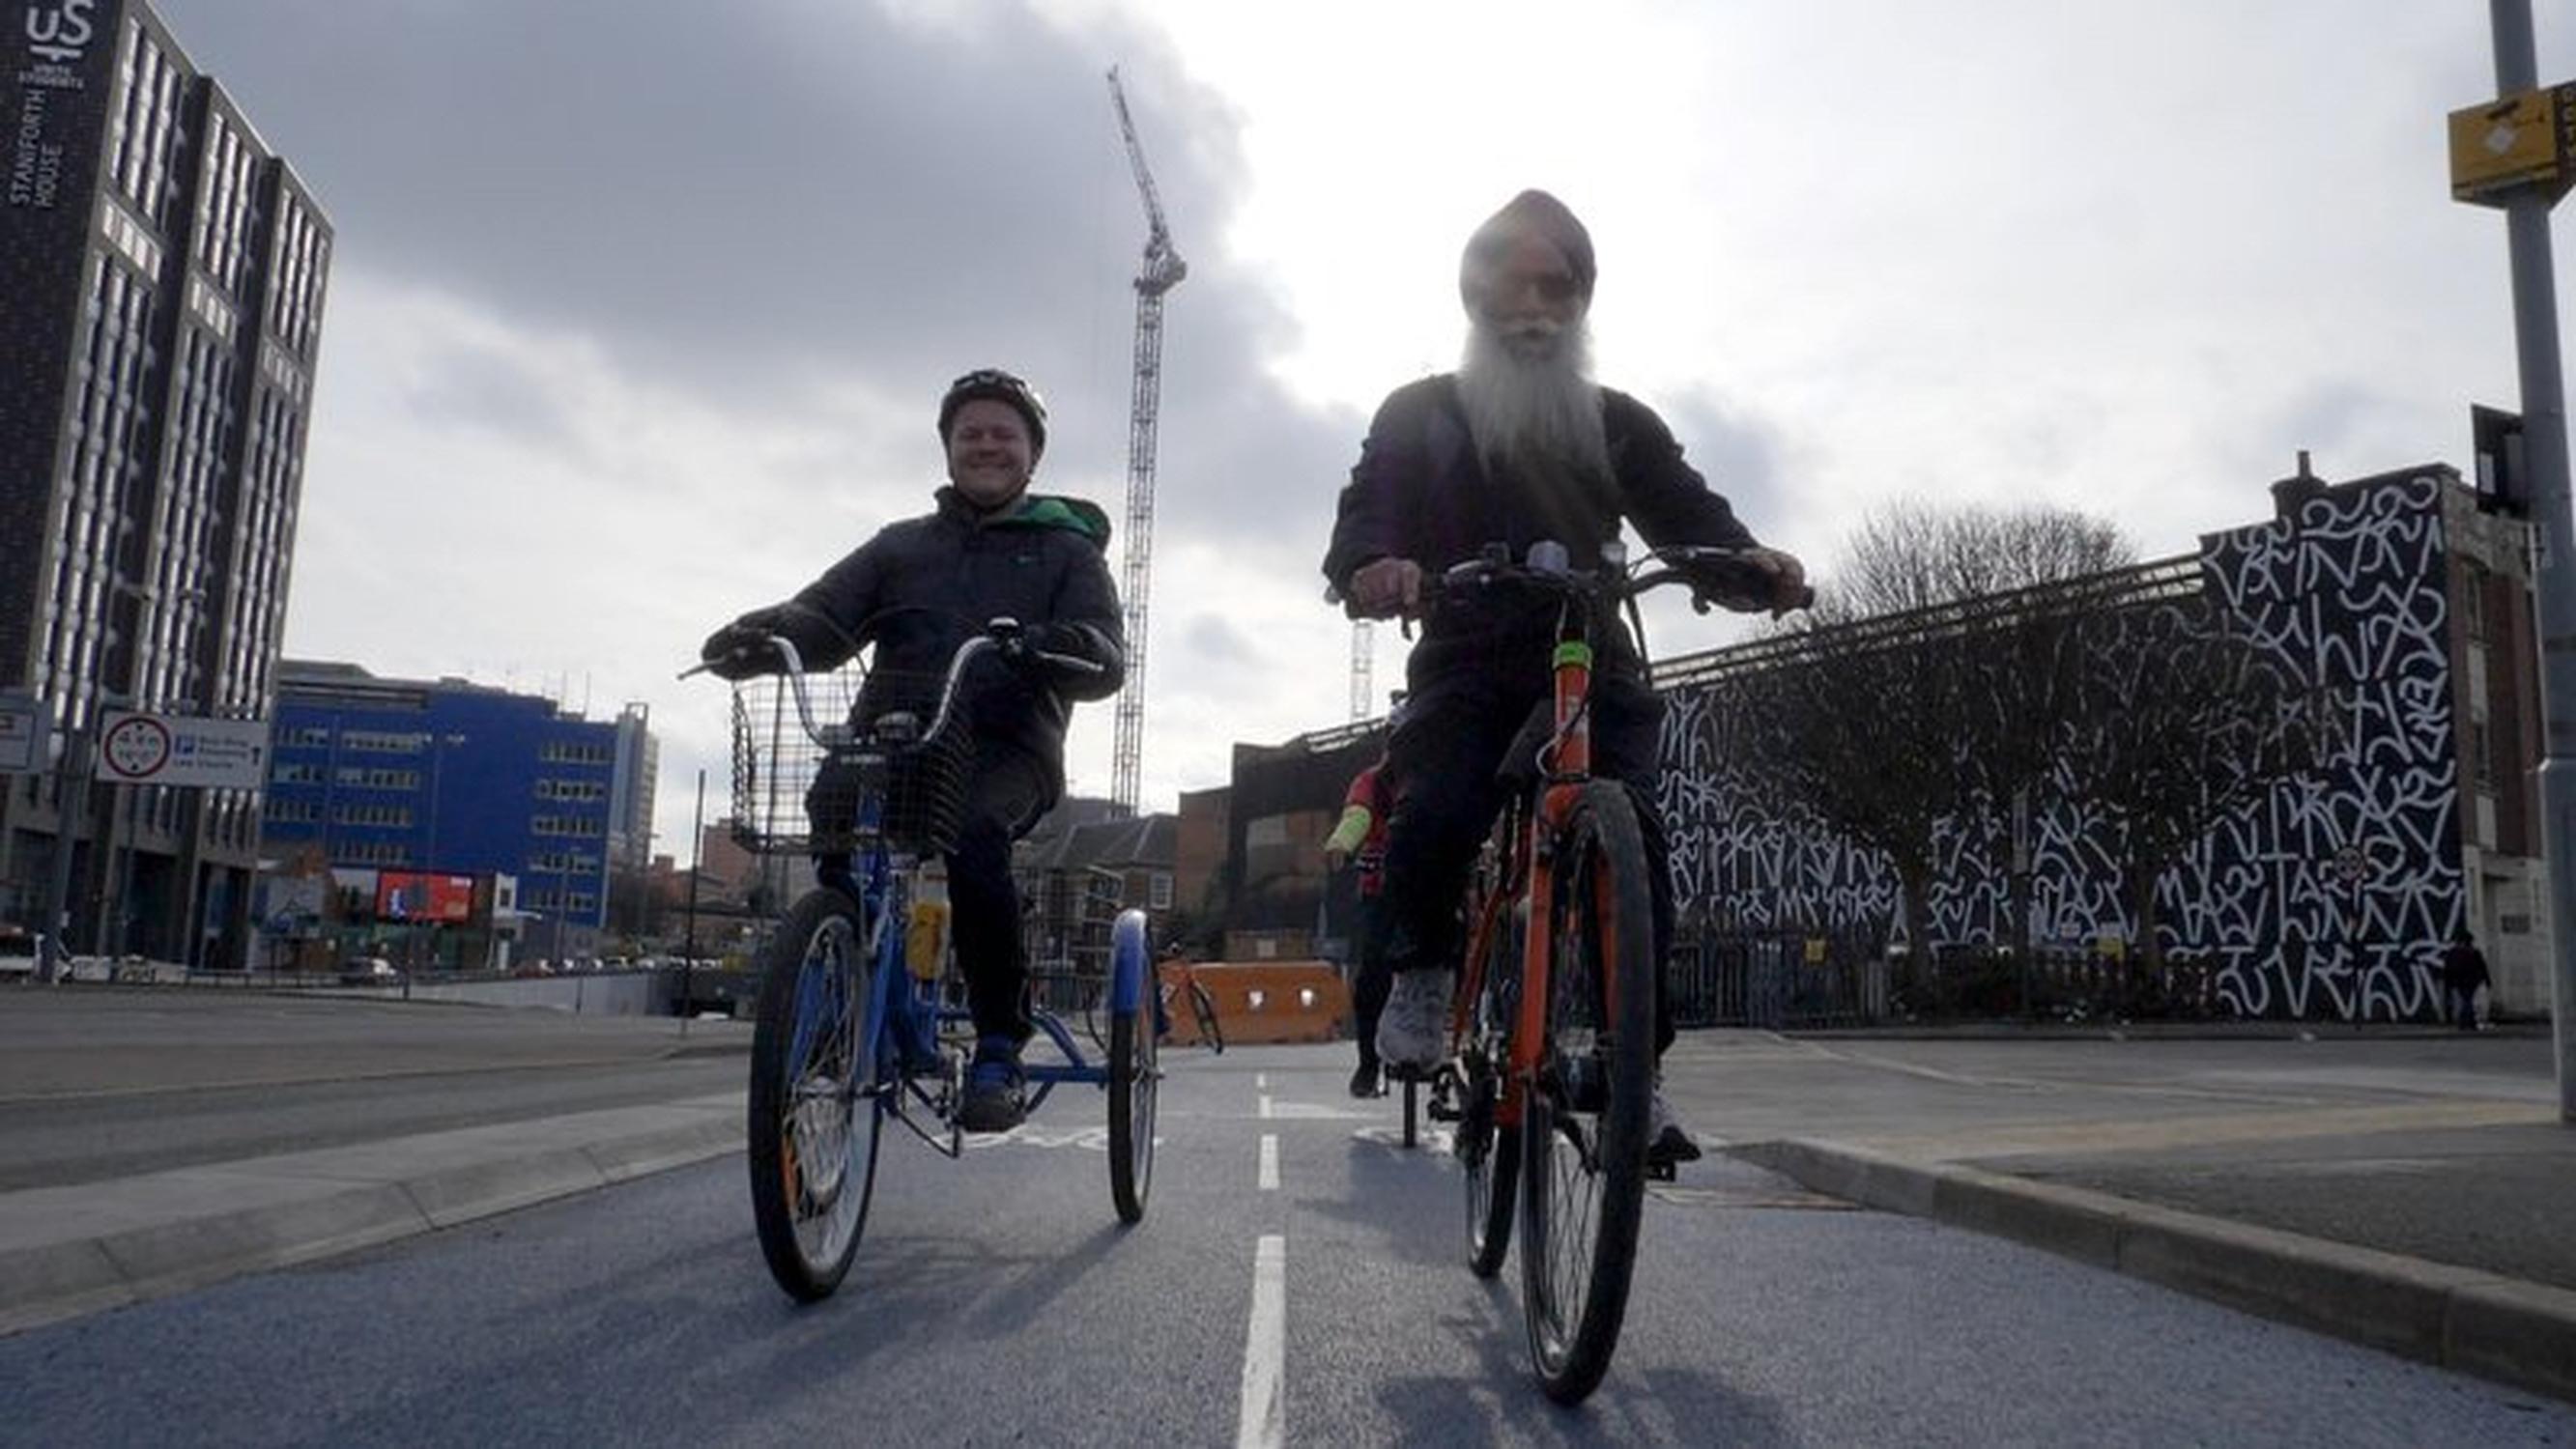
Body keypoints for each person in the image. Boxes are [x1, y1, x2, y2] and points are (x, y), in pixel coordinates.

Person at [1321, 189, 1808, 1168]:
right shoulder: (1419, 414)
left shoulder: (1617, 422)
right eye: (1508, 285)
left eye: (1554, 287)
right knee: (1441, 805)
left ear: (1581, 303)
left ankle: (1636, 1067)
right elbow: (1368, 509)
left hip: (1589, 650)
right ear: (1473, 299)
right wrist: (1373, 564)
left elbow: (1686, 511)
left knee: (1633, 836)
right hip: (1464, 651)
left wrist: (1749, 564)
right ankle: (1421, 973)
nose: (1531, 306)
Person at [701, 369, 1125, 1132]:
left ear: (1031, 455)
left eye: (1005, 434)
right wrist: (759, 635)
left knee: (972, 836)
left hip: (1006, 747)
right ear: (948, 449)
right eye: (971, 434)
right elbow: (824, 617)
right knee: (832, 805)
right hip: (895, 737)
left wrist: (1051, 648)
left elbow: (1105, 654)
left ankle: (999, 1042)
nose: (987, 445)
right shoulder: (900, 548)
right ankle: (845, 969)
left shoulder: (1066, 551)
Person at [1324, 748, 1397, 1098]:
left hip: (1428, 885)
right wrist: (1343, 841)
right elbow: (1358, 813)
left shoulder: (1436, 771)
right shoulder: (1372, 782)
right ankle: (1368, 1063)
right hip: (1380, 890)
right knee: (1371, 975)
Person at [2440, 929, 2491, 1032]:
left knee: (2466, 1000)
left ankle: (2466, 1022)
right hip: (2472, 980)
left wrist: (2448, 983)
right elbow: (2482, 967)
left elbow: (2448, 969)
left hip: (2459, 981)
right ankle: (2467, 1022)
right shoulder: (2474, 952)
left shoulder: (2452, 953)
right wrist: (2487, 979)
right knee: (2468, 1000)